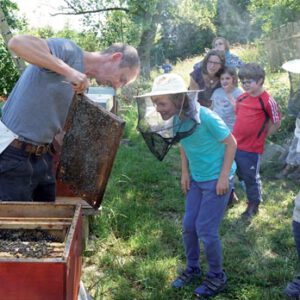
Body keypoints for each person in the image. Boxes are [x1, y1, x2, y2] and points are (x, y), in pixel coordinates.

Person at [0, 34, 140, 202]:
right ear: (116, 58)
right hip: (12, 154)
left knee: (44, 222)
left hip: (42, 158)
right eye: (122, 79)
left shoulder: (82, 86)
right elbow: (17, 43)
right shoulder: (69, 51)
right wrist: (69, 71)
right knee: (13, 225)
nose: (117, 86)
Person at [139, 73, 236, 298]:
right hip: (197, 179)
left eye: (161, 103)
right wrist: (185, 173)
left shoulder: (207, 118)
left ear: (178, 99)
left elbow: (231, 144)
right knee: (189, 226)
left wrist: (224, 178)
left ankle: (216, 276)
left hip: (216, 179)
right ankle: (192, 268)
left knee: (206, 230)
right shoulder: (177, 120)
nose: (157, 108)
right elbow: (183, 143)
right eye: (155, 103)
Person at [232, 63, 281, 219]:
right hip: (234, 143)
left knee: (250, 176)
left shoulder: (267, 101)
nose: (245, 85)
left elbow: (276, 122)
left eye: (249, 81)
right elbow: (238, 115)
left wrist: (262, 136)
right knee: (234, 171)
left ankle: (254, 203)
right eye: (243, 82)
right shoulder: (241, 97)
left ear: (260, 81)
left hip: (251, 148)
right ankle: (230, 197)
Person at [211, 67, 243, 208]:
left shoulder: (239, 93)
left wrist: (230, 96)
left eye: (227, 78)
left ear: (233, 79)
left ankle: (232, 191)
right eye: (222, 79)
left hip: (231, 133)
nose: (224, 81)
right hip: (216, 131)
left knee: (230, 163)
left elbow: (241, 112)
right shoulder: (216, 92)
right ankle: (228, 192)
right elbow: (212, 109)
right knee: (220, 161)